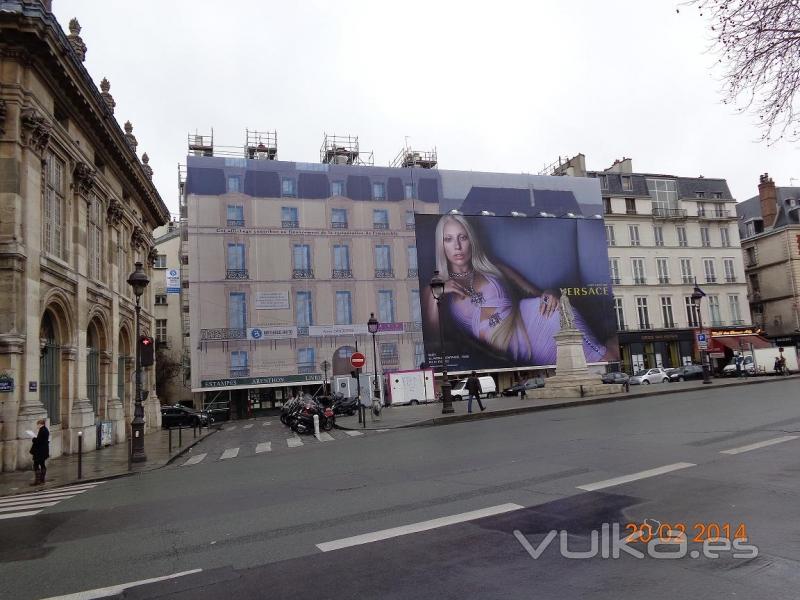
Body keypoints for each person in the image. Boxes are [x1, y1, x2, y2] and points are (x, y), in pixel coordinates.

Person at [423, 214, 609, 366]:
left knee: (604, 361)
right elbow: (434, 341)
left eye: (463, 237)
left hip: (548, 318)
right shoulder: (434, 289)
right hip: (526, 348)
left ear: (471, 240)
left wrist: (551, 294)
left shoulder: (494, 269)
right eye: (448, 239)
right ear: (441, 245)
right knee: (593, 366)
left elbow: (539, 295)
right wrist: (437, 293)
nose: (457, 246)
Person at [29, 418, 49, 486]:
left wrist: (34, 438)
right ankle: (42, 480)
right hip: (44, 451)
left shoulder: (42, 430)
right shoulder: (46, 430)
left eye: (38, 424)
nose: (37, 426)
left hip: (39, 452)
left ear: (41, 424)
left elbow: (39, 441)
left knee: (36, 465)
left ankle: (37, 481)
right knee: (42, 464)